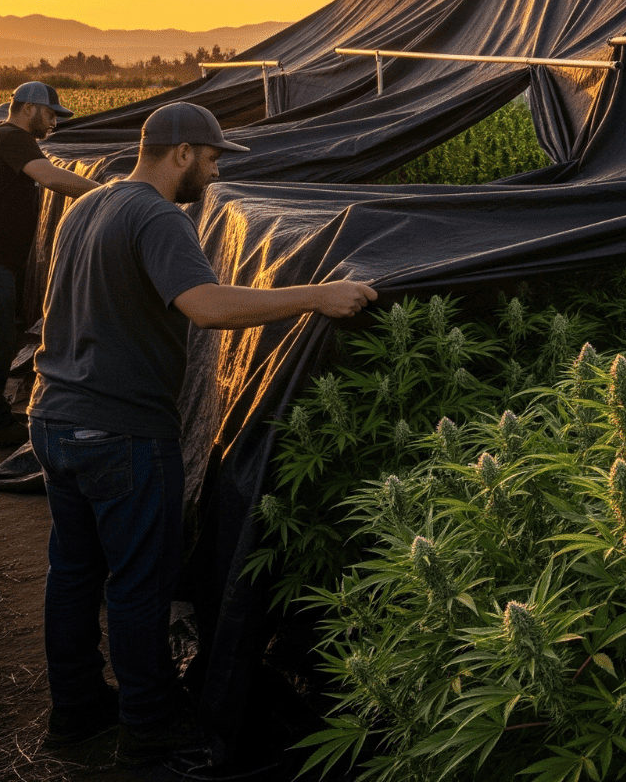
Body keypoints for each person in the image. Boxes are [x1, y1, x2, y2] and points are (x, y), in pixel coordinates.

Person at [30, 102, 377, 766]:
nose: (216, 175)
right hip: (121, 432)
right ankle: (151, 727)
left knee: (72, 575)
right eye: (214, 158)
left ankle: (74, 714)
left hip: (54, 418)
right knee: (139, 586)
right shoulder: (159, 216)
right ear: (182, 152)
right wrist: (316, 294)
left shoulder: (90, 207)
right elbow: (206, 304)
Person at [0, 82, 102, 449]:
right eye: (50, 114)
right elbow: (51, 177)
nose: (54, 122)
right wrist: (108, 193)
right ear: (28, 109)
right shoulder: (12, 136)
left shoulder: (1, 136)